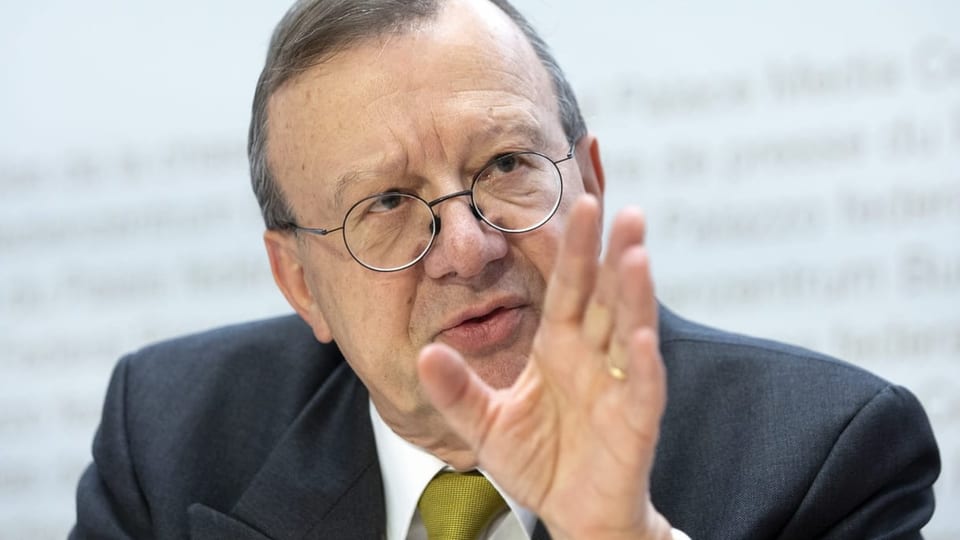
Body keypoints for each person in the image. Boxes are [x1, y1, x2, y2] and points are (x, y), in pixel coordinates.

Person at [70, 0, 940, 538]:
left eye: (506, 167)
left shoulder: (827, 452)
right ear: (300, 283)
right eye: (385, 203)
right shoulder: (171, 435)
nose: (467, 247)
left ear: (589, 181)